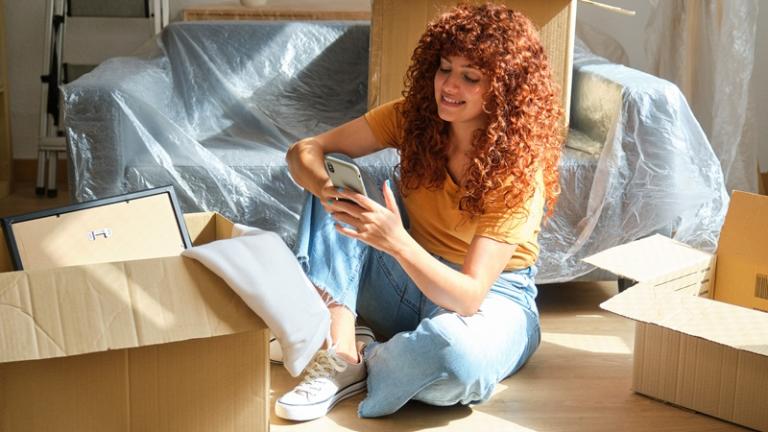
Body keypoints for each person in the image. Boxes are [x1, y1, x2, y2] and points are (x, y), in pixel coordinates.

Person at [279, 3, 563, 421]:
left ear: (504, 89)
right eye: (444, 68)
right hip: (404, 280)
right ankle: (341, 351)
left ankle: (371, 356)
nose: (449, 85)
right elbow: (304, 151)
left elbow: (468, 297)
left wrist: (396, 241)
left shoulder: (519, 171)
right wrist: (327, 188)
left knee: (457, 359)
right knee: (338, 184)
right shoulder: (413, 118)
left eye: (470, 77)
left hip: (492, 299)